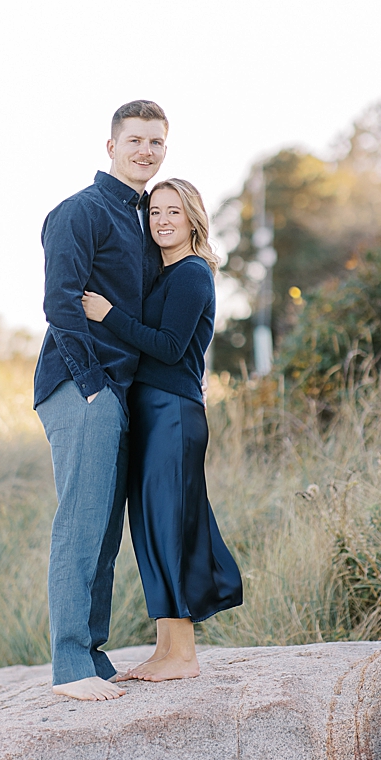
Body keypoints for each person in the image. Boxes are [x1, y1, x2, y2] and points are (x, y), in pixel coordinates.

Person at [34, 101, 168, 702]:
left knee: (106, 530)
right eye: (135, 140)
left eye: (156, 142)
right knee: (81, 525)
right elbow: (61, 302)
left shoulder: (145, 220)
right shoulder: (78, 212)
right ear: (110, 146)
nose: (146, 151)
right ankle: (70, 669)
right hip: (81, 385)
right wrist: (91, 384)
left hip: (121, 390)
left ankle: (92, 653)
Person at [82, 178, 241, 681]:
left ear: (193, 218)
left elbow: (170, 346)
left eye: (174, 212)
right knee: (150, 530)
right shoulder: (161, 275)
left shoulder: (193, 274)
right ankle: (165, 649)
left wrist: (108, 315)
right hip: (150, 412)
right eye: (154, 213)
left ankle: (185, 656)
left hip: (174, 411)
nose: (163, 220)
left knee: (171, 527)